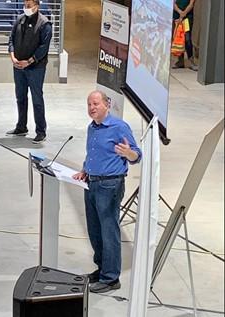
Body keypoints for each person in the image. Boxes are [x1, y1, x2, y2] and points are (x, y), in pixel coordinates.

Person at [73, 90, 142, 293]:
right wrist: (85, 169)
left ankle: (111, 278)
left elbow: (137, 155)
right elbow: (92, 153)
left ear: (107, 105)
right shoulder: (91, 128)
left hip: (109, 186)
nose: (92, 108)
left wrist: (128, 153)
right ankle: (102, 268)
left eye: (95, 104)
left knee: (109, 231)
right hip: (91, 183)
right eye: (89, 105)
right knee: (95, 230)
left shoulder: (119, 127)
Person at [6, 0, 52, 144]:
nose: (25, 8)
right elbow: (11, 39)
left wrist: (29, 61)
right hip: (18, 67)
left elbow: (43, 48)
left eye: (29, 6)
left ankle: (41, 131)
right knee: (20, 97)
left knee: (37, 99)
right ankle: (21, 126)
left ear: (36, 6)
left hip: (35, 68)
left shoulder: (45, 24)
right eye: (25, 5)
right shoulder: (19, 19)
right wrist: (13, 57)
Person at [172, 0, 198, 71]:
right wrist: (180, 12)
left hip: (187, 18)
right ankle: (180, 61)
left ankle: (191, 61)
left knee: (187, 38)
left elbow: (191, 4)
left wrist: (184, 13)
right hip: (177, 16)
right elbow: (173, 3)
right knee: (178, 37)